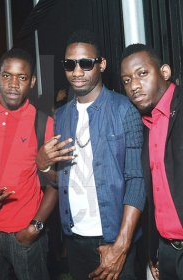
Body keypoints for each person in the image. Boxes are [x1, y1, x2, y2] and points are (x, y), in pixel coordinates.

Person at [36, 30, 146, 280]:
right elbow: (60, 179)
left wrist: (121, 246)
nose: (77, 72)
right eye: (70, 64)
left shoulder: (124, 109)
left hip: (115, 238)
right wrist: (43, 166)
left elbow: (137, 181)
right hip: (75, 239)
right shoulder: (61, 116)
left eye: (85, 63)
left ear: (102, 64)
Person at [0, 48, 58, 280]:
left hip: (25, 234)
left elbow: (57, 184)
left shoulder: (43, 123)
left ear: (31, 82)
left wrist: (35, 228)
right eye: (7, 76)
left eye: (21, 77)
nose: (13, 84)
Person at [121, 43, 183, 280]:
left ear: (164, 72)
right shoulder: (146, 124)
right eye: (126, 80)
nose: (134, 86)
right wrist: (155, 249)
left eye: (142, 73)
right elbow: (154, 196)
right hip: (166, 251)